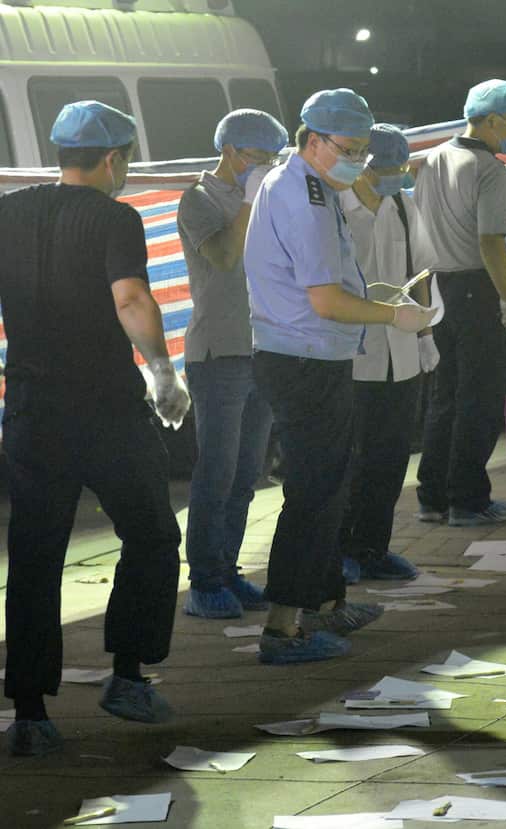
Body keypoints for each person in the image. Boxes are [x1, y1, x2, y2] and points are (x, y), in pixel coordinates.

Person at [0, 101, 189, 755]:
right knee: (154, 534)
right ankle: (129, 676)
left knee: (34, 556)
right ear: (113, 159)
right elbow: (131, 297)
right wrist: (163, 372)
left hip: (29, 410)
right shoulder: (116, 217)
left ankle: (30, 714)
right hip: (105, 409)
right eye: (128, 160)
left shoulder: (8, 212)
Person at [244, 88, 434, 664]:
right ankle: (282, 631)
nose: (357, 161)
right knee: (313, 492)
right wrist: (393, 315)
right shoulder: (306, 197)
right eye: (348, 149)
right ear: (312, 139)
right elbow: (325, 301)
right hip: (304, 356)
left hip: (308, 353)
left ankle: (324, 607)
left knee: (329, 483)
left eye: (361, 151)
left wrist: (372, 297)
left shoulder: (306, 185)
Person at [177, 108, 288, 619]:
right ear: (230, 151)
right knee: (216, 473)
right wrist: (250, 197)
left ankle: (227, 568)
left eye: (272, 160)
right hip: (218, 353)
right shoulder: (198, 199)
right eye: (258, 158)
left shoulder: (266, 196)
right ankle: (203, 581)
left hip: (263, 348)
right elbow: (224, 256)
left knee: (247, 474)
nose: (265, 167)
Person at [413, 79, 506, 527]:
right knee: (478, 399)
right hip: (477, 291)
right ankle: (469, 500)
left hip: (437, 287)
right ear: (493, 119)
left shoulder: (432, 159)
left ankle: (433, 496)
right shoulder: (489, 170)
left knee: (445, 396)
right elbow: (491, 242)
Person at [338, 123, 438, 583]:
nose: (396, 175)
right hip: (352, 353)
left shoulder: (403, 204)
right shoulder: (338, 207)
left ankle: (373, 548)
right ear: (363, 165)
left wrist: (427, 333)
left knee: (393, 454)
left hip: (402, 350)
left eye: (401, 167)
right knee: (350, 456)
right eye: (388, 168)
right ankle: (340, 551)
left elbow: (422, 269)